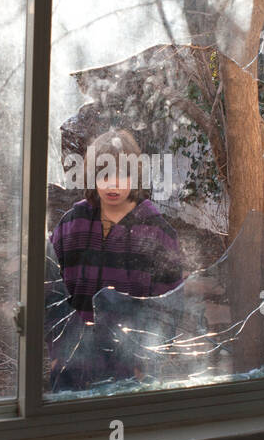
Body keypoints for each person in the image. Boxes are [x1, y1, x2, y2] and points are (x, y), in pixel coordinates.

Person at [47, 128, 185, 391]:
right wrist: (57, 351)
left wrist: (143, 363)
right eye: (104, 175)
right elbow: (51, 292)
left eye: (124, 175)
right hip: (72, 371)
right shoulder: (72, 224)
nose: (113, 184)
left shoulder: (157, 232)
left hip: (130, 377)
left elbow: (169, 307)